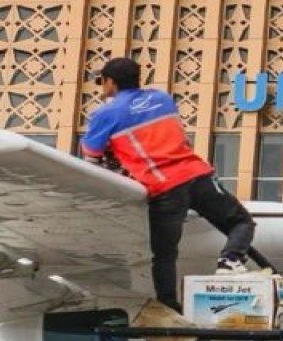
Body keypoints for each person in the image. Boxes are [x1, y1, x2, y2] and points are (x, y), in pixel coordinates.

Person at [80, 57, 258, 311]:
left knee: (164, 256)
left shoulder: (106, 113)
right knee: (241, 222)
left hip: (164, 188)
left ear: (110, 82)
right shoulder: (162, 98)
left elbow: (91, 152)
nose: (101, 86)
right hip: (197, 175)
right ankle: (230, 260)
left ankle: (169, 307)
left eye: (101, 81)